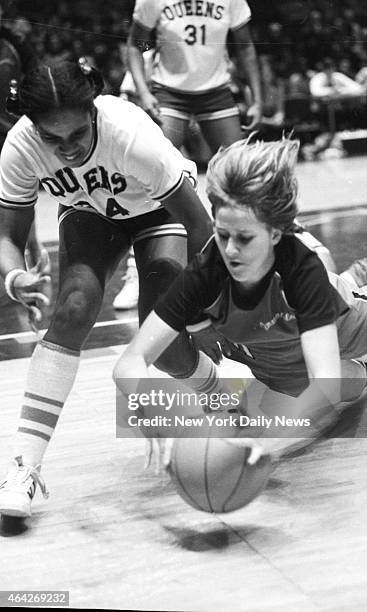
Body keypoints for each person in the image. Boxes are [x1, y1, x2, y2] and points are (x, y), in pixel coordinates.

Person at [0, 57, 229, 519]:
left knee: (162, 344)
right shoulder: (19, 147)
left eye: (77, 136)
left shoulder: (131, 136)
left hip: (158, 211)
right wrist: (14, 276)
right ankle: (24, 465)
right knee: (73, 307)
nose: (65, 149)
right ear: (32, 126)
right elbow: (7, 235)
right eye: (52, 138)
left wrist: (210, 304)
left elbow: (201, 225)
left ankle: (216, 388)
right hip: (89, 210)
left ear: (94, 115)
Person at [113, 136, 367, 467]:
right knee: (336, 388)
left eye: (245, 238)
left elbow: (324, 389)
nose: (230, 250)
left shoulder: (300, 269)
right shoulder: (207, 269)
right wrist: (151, 406)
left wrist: (270, 446)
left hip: (349, 325)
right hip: (285, 354)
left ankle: (355, 276)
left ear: (276, 233)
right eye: (222, 234)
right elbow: (130, 361)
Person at [112, 0, 263, 311]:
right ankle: (135, 274)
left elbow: (246, 48)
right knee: (151, 177)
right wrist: (143, 91)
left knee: (240, 180)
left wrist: (258, 99)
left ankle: (241, 262)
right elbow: (134, 46)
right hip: (169, 92)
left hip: (216, 91)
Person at [0, 0, 48, 270]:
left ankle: (33, 261)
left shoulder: (15, 45)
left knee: (19, 209)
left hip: (10, 136)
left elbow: (37, 81)